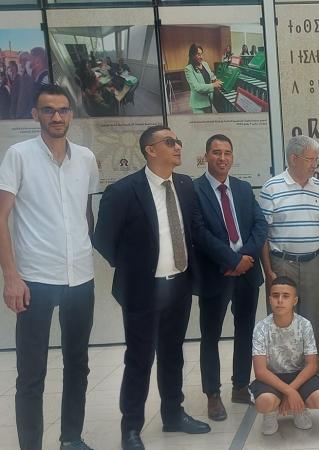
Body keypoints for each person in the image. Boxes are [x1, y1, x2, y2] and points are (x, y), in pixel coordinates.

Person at [94, 126, 210, 450]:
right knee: (139, 359)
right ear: (150, 150)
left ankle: (173, 414)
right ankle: (131, 428)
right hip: (143, 291)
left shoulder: (185, 186)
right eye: (170, 142)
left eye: (178, 141)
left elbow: (192, 230)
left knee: (173, 355)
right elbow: (103, 240)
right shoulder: (123, 191)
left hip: (179, 286)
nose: (178, 147)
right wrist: (135, 268)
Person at [0, 85, 98, 450]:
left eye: (62, 110)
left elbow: (85, 212)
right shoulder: (19, 156)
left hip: (80, 278)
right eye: (48, 110)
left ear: (71, 114)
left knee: (78, 364)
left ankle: (71, 438)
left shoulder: (86, 158)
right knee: (31, 373)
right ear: (35, 114)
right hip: (35, 279)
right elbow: (1, 218)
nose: (56, 117)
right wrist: (11, 277)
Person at [193, 134, 267, 420]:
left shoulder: (243, 188)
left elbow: (260, 225)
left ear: (232, 156)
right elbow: (199, 232)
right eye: (216, 152)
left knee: (245, 330)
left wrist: (244, 258)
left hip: (246, 272)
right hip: (216, 272)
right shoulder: (195, 190)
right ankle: (212, 394)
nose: (222, 158)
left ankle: (240, 386)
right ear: (206, 156)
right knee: (210, 335)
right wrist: (232, 260)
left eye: (227, 152)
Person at [259, 135, 319, 366]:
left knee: (315, 320)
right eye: (311, 159)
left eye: (316, 160)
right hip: (282, 264)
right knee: (283, 320)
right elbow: (262, 234)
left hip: (314, 263)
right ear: (293, 158)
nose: (314, 164)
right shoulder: (272, 187)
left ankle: (313, 374)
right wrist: (269, 271)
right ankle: (284, 374)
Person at [250, 276, 319, 435]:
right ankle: (270, 413)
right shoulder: (261, 327)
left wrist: (291, 390)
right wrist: (289, 391)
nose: (280, 300)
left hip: (298, 375)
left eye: (286, 296)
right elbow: (260, 371)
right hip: (272, 377)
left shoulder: (304, 325)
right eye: (275, 296)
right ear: (270, 299)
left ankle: (299, 408)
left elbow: (312, 365)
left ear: (295, 300)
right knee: (265, 402)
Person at [185, 43, 221, 114]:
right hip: (199, 104)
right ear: (192, 55)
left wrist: (215, 79)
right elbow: (197, 87)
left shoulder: (205, 64)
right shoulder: (188, 69)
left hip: (208, 101)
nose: (201, 57)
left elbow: (211, 75)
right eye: (198, 54)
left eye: (202, 54)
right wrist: (213, 85)